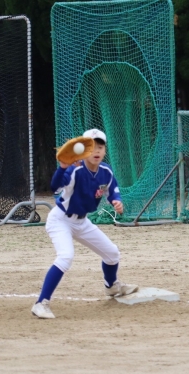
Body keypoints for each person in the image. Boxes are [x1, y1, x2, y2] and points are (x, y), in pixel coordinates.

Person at [31, 128, 138, 319]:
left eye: (100, 147)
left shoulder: (105, 171)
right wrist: (63, 167)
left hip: (82, 222)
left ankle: (111, 286)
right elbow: (55, 187)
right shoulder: (76, 170)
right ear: (84, 150)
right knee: (65, 257)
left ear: (105, 151)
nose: (96, 150)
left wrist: (117, 201)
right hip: (61, 220)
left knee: (112, 253)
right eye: (92, 147)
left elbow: (113, 190)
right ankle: (41, 303)